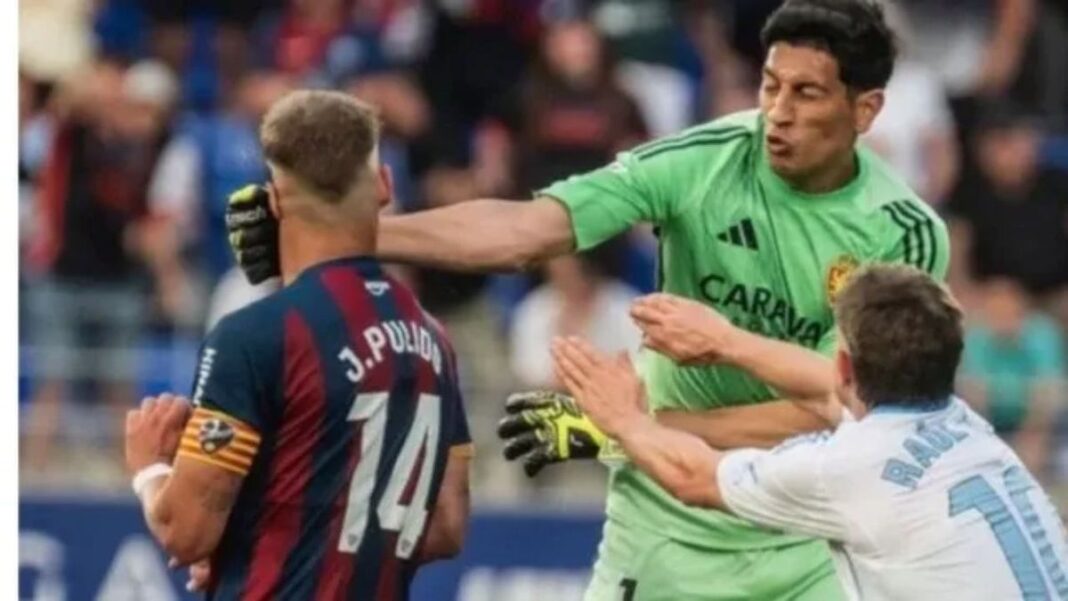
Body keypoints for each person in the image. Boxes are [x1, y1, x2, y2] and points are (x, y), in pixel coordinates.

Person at [228, 1, 949, 598]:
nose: (776, 114)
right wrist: (344, 232)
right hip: (666, 526)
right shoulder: (702, 162)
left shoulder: (903, 237)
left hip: (807, 542)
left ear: (867, 110)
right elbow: (526, 230)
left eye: (807, 93)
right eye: (769, 86)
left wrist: (625, 427)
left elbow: (837, 407)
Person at [123, 91, 473, 599]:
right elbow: (445, 526)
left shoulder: (256, 335)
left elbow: (185, 531)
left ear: (273, 200)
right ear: (384, 186)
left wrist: (149, 465)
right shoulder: (434, 339)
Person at [554, 264, 1068, 601]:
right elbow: (829, 393)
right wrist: (726, 342)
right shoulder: (965, 424)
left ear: (844, 363)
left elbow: (695, 478)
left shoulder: (846, 467)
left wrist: (621, 419)